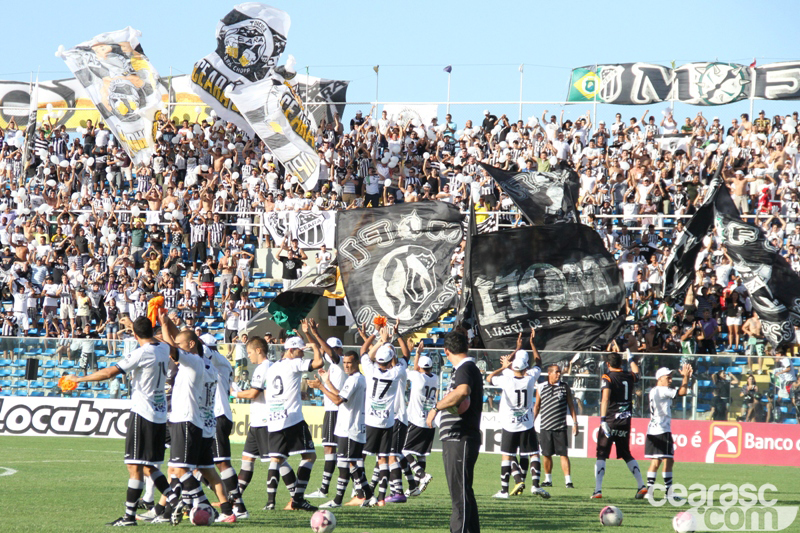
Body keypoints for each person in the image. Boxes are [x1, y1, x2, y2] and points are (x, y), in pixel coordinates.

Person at [67, 316, 175, 527]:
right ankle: (173, 498)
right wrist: (133, 325)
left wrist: (78, 379)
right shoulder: (163, 348)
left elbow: (109, 372)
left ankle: (128, 517)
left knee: (134, 465)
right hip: (160, 415)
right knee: (149, 467)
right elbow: (150, 336)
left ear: (135, 335)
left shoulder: (140, 353)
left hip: (143, 414)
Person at [263, 320, 323, 511]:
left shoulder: (272, 367)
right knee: (310, 456)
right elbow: (319, 362)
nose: (301, 354)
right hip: (292, 417)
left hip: (274, 418)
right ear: (291, 351)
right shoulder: (294, 363)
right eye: (299, 351)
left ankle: (270, 503)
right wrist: (313, 343)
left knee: (277, 459)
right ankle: (298, 498)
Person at [426, 331, 482, 533]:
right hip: (456, 437)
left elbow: (463, 391)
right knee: (462, 491)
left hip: (461, 437)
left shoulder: (465, 368)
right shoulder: (463, 368)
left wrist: (436, 408)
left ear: (446, 351)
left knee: (459, 492)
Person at [310, 351, 375, 508]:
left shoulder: (355, 379)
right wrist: (327, 382)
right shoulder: (355, 379)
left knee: (346, 464)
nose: (346, 365)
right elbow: (341, 395)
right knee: (352, 464)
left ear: (357, 362)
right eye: (344, 362)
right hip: (349, 427)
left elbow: (338, 400)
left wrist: (321, 386)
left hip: (350, 428)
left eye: (349, 363)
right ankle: (370, 496)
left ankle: (338, 500)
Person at [199, 333, 247, 521]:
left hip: (218, 415)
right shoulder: (214, 363)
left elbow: (201, 350)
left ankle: (238, 506)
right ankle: (226, 501)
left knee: (222, 462)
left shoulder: (218, 362)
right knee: (198, 465)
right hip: (214, 415)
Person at [592, 351, 647, 500]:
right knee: (626, 454)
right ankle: (641, 485)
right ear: (621, 363)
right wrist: (630, 358)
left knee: (602, 454)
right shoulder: (628, 376)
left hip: (610, 421)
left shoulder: (607, 377)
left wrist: (602, 420)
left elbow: (605, 399)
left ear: (608, 364)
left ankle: (597, 490)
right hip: (625, 421)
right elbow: (637, 372)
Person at [486, 349, 540, 499]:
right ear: (525, 367)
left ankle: (504, 490)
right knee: (531, 453)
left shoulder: (507, 378)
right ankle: (534, 485)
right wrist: (532, 345)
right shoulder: (530, 379)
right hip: (527, 422)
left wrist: (503, 366)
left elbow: (489, 378)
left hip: (510, 423)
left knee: (507, 456)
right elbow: (539, 363)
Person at [231, 336, 271, 512]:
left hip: (264, 421)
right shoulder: (265, 367)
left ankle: (295, 496)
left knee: (277, 461)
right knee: (247, 460)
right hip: (256, 422)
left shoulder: (264, 368)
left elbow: (254, 394)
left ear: (259, 350)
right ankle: (235, 498)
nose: (248, 357)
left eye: (249, 353)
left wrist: (235, 394)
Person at [306, 335, 346, 500]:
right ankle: (328, 488)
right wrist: (309, 334)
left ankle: (324, 490)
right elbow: (320, 349)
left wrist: (315, 334)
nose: (328, 352)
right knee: (335, 451)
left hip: (335, 411)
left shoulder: (339, 362)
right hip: (334, 410)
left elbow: (326, 350)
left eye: (332, 349)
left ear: (339, 350)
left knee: (332, 450)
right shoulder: (334, 366)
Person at [644, 365, 692, 498]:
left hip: (652, 429)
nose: (670, 380)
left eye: (671, 377)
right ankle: (669, 492)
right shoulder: (663, 390)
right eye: (668, 378)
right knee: (669, 460)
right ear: (660, 379)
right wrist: (686, 377)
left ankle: (649, 491)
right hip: (662, 429)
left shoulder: (653, 391)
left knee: (656, 461)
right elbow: (682, 392)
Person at [534, 363, 578, 493]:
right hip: (545, 427)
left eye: (559, 372)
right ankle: (548, 479)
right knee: (546, 454)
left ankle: (568, 480)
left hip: (560, 427)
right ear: (549, 373)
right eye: (556, 372)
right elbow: (537, 406)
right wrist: (531, 421)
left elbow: (571, 406)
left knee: (563, 454)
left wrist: (575, 423)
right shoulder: (541, 387)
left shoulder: (565, 387)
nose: (559, 374)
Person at [401, 341, 438, 495]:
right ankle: (415, 487)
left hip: (416, 419)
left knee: (402, 450)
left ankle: (422, 475)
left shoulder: (417, 377)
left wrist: (415, 354)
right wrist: (418, 355)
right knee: (421, 453)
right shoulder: (435, 377)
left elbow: (413, 370)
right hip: (430, 420)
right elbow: (418, 370)